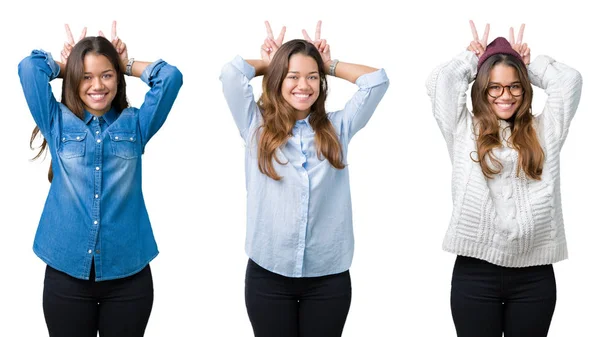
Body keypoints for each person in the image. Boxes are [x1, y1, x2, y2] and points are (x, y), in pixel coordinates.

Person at [220, 21, 389, 337]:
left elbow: (376, 82)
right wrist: (270, 64)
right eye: (292, 76)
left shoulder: (339, 127)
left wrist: (329, 65)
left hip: (328, 278)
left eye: (312, 77)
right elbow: (231, 74)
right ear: (278, 80)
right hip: (268, 275)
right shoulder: (255, 126)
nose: (304, 85)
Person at [18, 21, 183, 337]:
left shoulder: (135, 125)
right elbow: (29, 68)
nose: (98, 85)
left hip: (128, 277)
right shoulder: (57, 123)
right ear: (75, 80)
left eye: (106, 75)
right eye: (87, 77)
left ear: (117, 80)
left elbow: (170, 77)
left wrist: (126, 65)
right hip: (66, 273)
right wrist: (68, 65)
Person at [426, 21, 582, 337]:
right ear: (482, 89)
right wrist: (473, 59)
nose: (505, 95)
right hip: (475, 273)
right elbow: (440, 82)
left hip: (534, 276)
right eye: (494, 86)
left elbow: (570, 81)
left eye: (514, 85)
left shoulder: (545, 130)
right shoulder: (463, 130)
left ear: (524, 89)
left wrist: (528, 66)